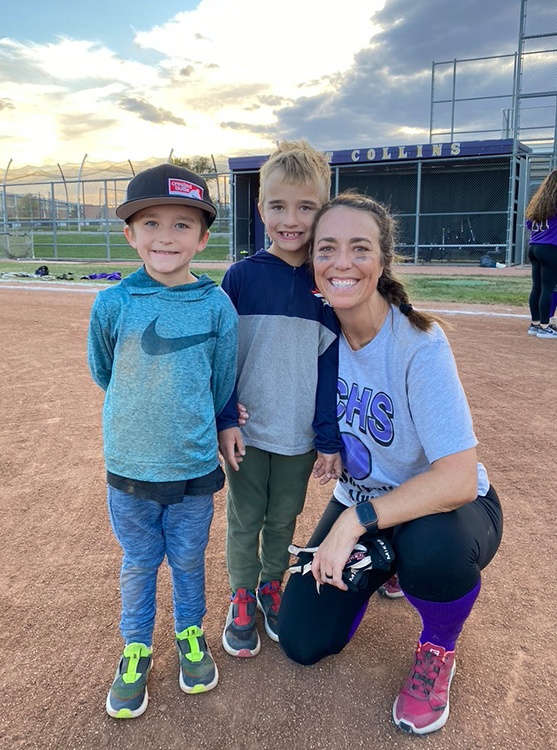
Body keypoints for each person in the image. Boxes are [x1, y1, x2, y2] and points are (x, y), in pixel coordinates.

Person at [277, 193, 503, 736]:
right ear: (313, 262)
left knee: (430, 550)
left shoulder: (419, 344)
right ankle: (388, 560)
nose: (342, 262)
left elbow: (453, 480)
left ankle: (438, 644)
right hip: (366, 501)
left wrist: (353, 522)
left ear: (382, 261)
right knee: (303, 640)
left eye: (360, 248)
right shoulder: (318, 334)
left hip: (447, 510)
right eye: (327, 248)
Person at [87, 163, 238, 718]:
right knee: (139, 561)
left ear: (202, 237)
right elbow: (106, 372)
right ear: (131, 234)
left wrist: (192, 421)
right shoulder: (113, 304)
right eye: (151, 223)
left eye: (181, 225)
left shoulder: (217, 306)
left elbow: (221, 382)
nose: (165, 237)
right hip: (129, 464)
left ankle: (190, 636)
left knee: (189, 559)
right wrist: (142, 414)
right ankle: (136, 648)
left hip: (194, 465)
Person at [217, 140, 343, 657]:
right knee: (245, 516)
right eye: (278, 206)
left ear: (323, 211)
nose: (290, 220)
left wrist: (328, 436)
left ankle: (273, 583)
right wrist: (225, 415)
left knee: (284, 516)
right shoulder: (241, 277)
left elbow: (331, 367)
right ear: (260, 208)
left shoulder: (326, 285)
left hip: (298, 436)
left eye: (306, 207)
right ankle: (242, 595)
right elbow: (221, 355)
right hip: (247, 434)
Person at [525, 168, 557, 339]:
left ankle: (534, 324)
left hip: (534, 247)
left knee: (537, 288)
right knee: (548, 288)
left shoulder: (538, 203)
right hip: (551, 249)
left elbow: (528, 225)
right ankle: (545, 327)